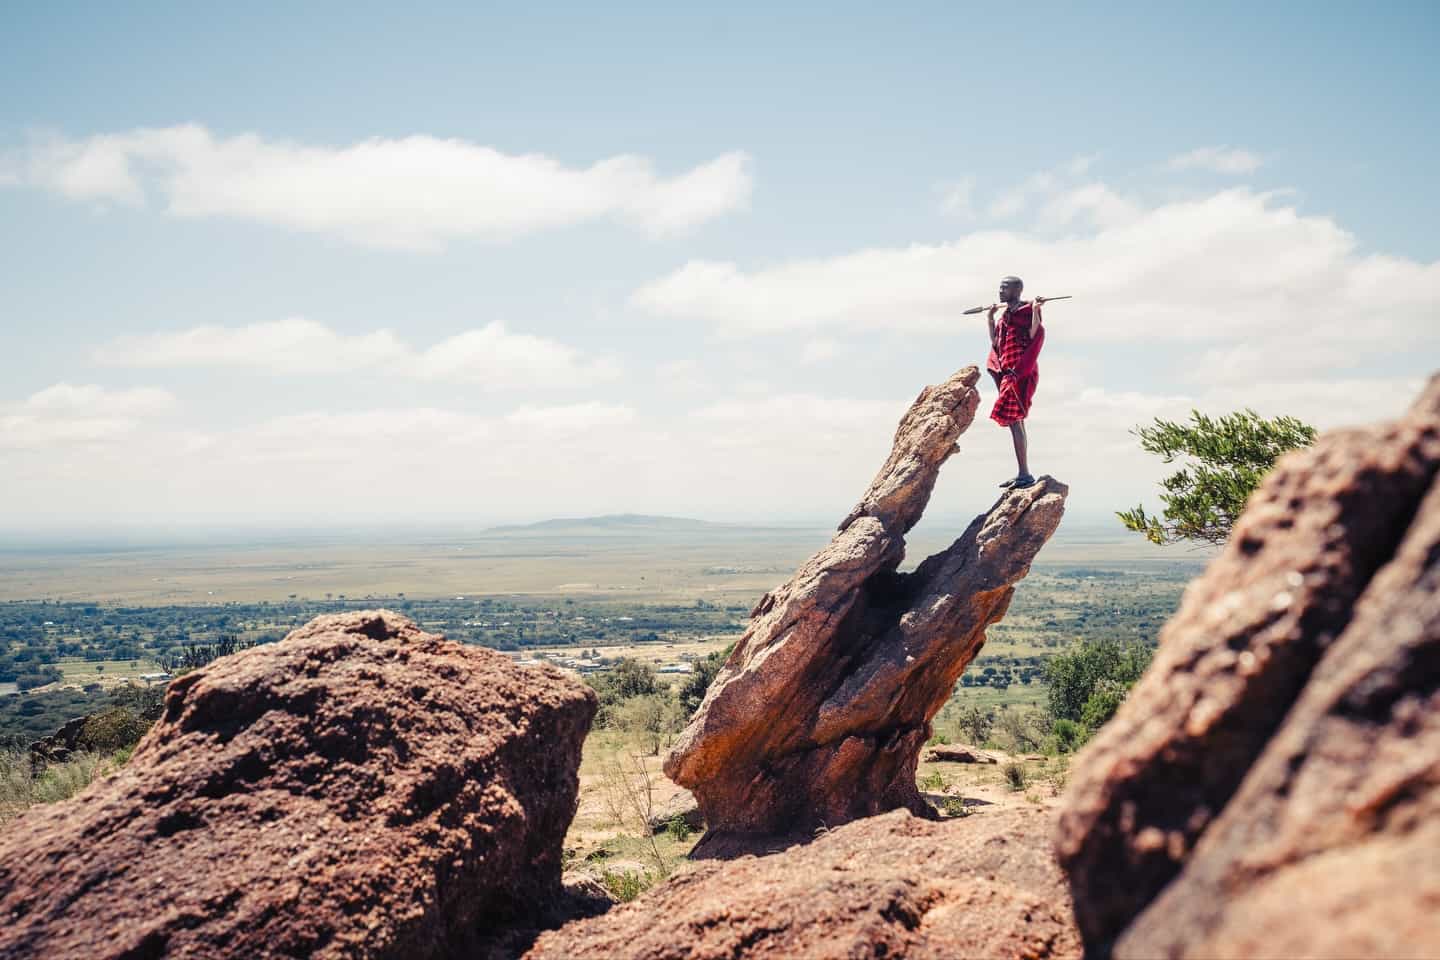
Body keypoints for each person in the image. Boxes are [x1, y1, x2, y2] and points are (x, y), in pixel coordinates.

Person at [985, 275, 1047, 489]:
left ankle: (1024, 474)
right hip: (1007, 374)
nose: (1001, 291)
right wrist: (990, 318)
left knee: (1016, 420)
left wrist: (1037, 310)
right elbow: (996, 342)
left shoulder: (1027, 311)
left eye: (1005, 288)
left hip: (1019, 373)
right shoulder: (1006, 316)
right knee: (1015, 422)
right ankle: (1023, 473)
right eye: (1000, 287)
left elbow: (1035, 334)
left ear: (1017, 290)